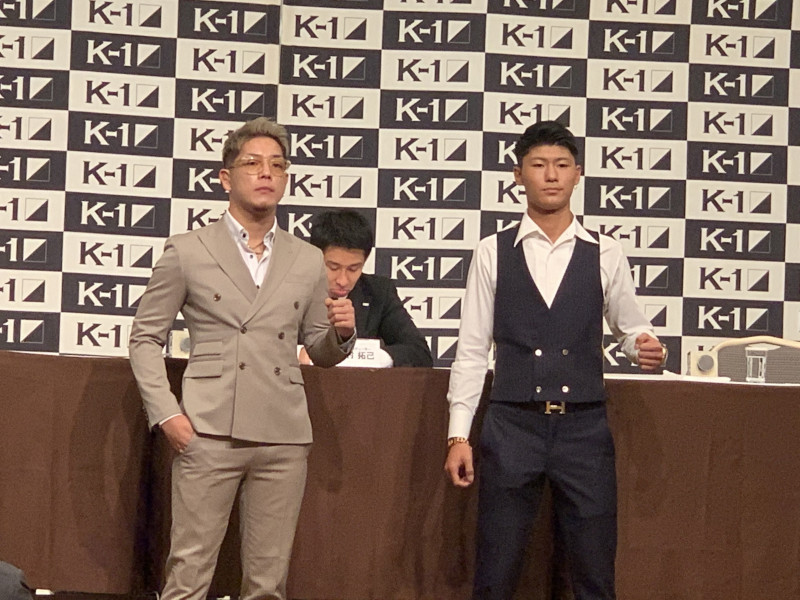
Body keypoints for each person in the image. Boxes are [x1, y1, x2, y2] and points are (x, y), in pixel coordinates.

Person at [128, 117, 356, 600]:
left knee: (268, 584)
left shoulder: (306, 258)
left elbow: (319, 348)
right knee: (188, 576)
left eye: (277, 164)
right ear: (226, 178)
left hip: (283, 435)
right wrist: (167, 414)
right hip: (209, 430)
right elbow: (145, 338)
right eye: (253, 163)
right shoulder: (188, 250)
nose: (266, 172)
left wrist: (342, 334)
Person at [443, 121, 666, 600]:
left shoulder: (606, 252)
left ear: (578, 174)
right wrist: (459, 435)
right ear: (518, 174)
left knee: (593, 574)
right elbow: (472, 350)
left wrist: (643, 346)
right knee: (495, 573)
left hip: (584, 430)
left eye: (562, 165)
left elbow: (630, 328)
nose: (551, 175)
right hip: (511, 426)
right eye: (539, 164)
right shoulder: (492, 251)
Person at [304, 208, 433, 368]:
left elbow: (419, 353)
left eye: (353, 269)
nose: (343, 280)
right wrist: (297, 355)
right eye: (333, 267)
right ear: (315, 257)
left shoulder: (378, 292)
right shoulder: (291, 287)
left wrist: (372, 357)